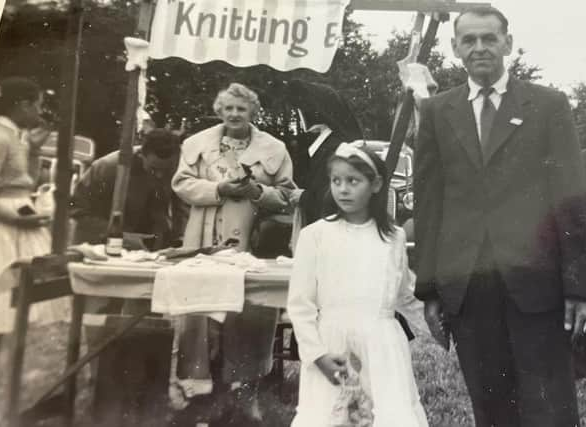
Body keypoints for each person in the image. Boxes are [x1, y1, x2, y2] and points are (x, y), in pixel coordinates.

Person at [414, 6, 586, 427]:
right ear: (455, 48)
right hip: (470, 288)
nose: (480, 48)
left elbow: (569, 199)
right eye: (469, 40)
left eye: (489, 38)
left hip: (538, 285)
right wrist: (430, 290)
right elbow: (429, 203)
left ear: (507, 44)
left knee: (549, 407)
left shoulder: (548, 105)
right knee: (491, 408)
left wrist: (577, 287)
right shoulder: (438, 112)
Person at [171, 82, 294, 422]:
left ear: (253, 113)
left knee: (250, 312)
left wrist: (257, 191)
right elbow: (181, 184)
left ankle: (245, 391)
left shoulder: (274, 148)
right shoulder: (196, 145)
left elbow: (286, 195)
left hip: (251, 242)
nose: (235, 114)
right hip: (205, 238)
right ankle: (198, 392)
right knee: (200, 311)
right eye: (229, 108)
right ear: (219, 111)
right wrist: (217, 188)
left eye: (242, 109)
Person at [288, 142, 428, 427]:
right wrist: (317, 354)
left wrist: (444, 327)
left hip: (382, 345)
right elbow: (300, 304)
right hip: (332, 346)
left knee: (387, 413)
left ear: (376, 184)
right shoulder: (315, 235)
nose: (342, 189)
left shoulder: (394, 237)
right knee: (331, 414)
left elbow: (403, 295)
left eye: (353, 181)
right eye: (336, 181)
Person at [0, 77, 71, 377]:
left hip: (19, 217)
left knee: (11, 305)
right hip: (4, 224)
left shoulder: (18, 137)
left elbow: (24, 182)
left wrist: (35, 151)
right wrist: (13, 217)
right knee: (0, 299)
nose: (40, 113)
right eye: (37, 106)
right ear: (22, 104)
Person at [71, 128, 187, 250]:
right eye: (153, 168)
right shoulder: (107, 168)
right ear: (141, 154)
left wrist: (178, 239)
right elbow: (76, 209)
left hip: (150, 249)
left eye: (167, 170)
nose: (160, 175)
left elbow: (181, 210)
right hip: (102, 247)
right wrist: (117, 235)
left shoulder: (179, 169)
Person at [286, 80, 363, 227]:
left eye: (303, 108)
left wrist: (304, 198)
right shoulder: (323, 147)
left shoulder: (337, 149)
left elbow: (337, 198)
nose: (300, 113)